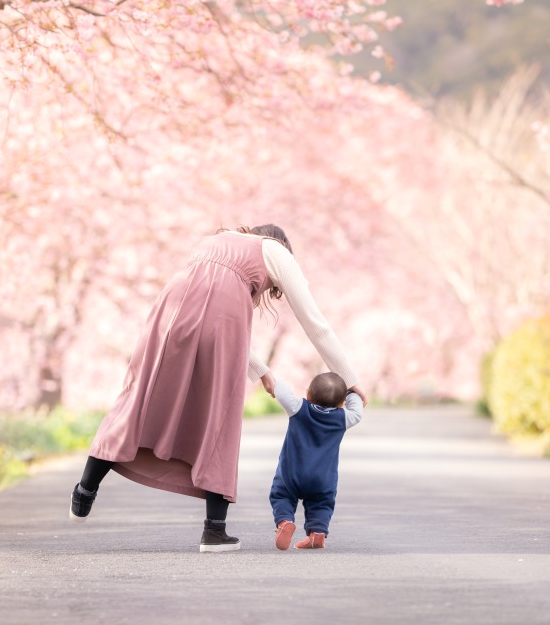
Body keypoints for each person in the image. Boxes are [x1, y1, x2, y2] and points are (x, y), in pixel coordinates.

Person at [68, 224, 366, 553]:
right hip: (219, 316)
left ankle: (85, 489)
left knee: (140, 398)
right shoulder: (277, 252)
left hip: (170, 306)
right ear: (280, 243)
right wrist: (348, 378)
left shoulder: (214, 242)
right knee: (218, 412)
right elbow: (313, 321)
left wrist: (263, 370)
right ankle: (214, 531)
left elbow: (208, 307)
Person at [270, 372, 364, 551]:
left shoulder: (298, 409)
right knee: (322, 503)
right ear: (341, 403)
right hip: (323, 479)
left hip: (292, 474)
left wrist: (276, 381)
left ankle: (284, 522)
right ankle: (317, 533)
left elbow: (281, 391)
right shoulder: (343, 418)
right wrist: (352, 393)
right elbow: (358, 411)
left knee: (281, 495)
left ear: (308, 395)